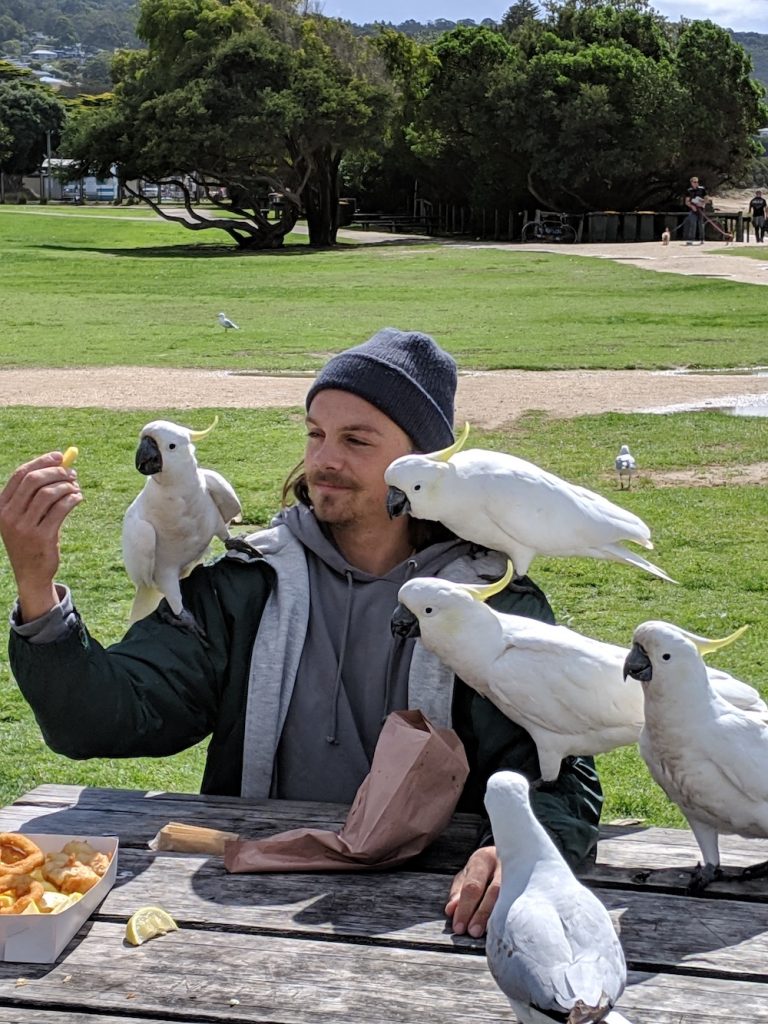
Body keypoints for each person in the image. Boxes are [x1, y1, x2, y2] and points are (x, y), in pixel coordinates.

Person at [0, 327, 602, 939]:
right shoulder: (248, 583)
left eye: (356, 440)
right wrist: (36, 586)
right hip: (247, 905)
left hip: (433, 918)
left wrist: (523, 846)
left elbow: (559, 774)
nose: (324, 460)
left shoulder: (492, 601)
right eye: (316, 433)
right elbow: (104, 717)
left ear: (421, 460)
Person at [683, 175, 708, 245]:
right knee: (692, 223)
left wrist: (702, 203)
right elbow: (686, 202)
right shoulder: (689, 191)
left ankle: (702, 239)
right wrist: (691, 206)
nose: (696, 183)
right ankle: (690, 239)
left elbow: (707, 199)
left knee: (701, 224)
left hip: (701, 209)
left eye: (697, 182)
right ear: (691, 183)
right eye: (694, 182)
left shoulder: (702, 189)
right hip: (693, 209)